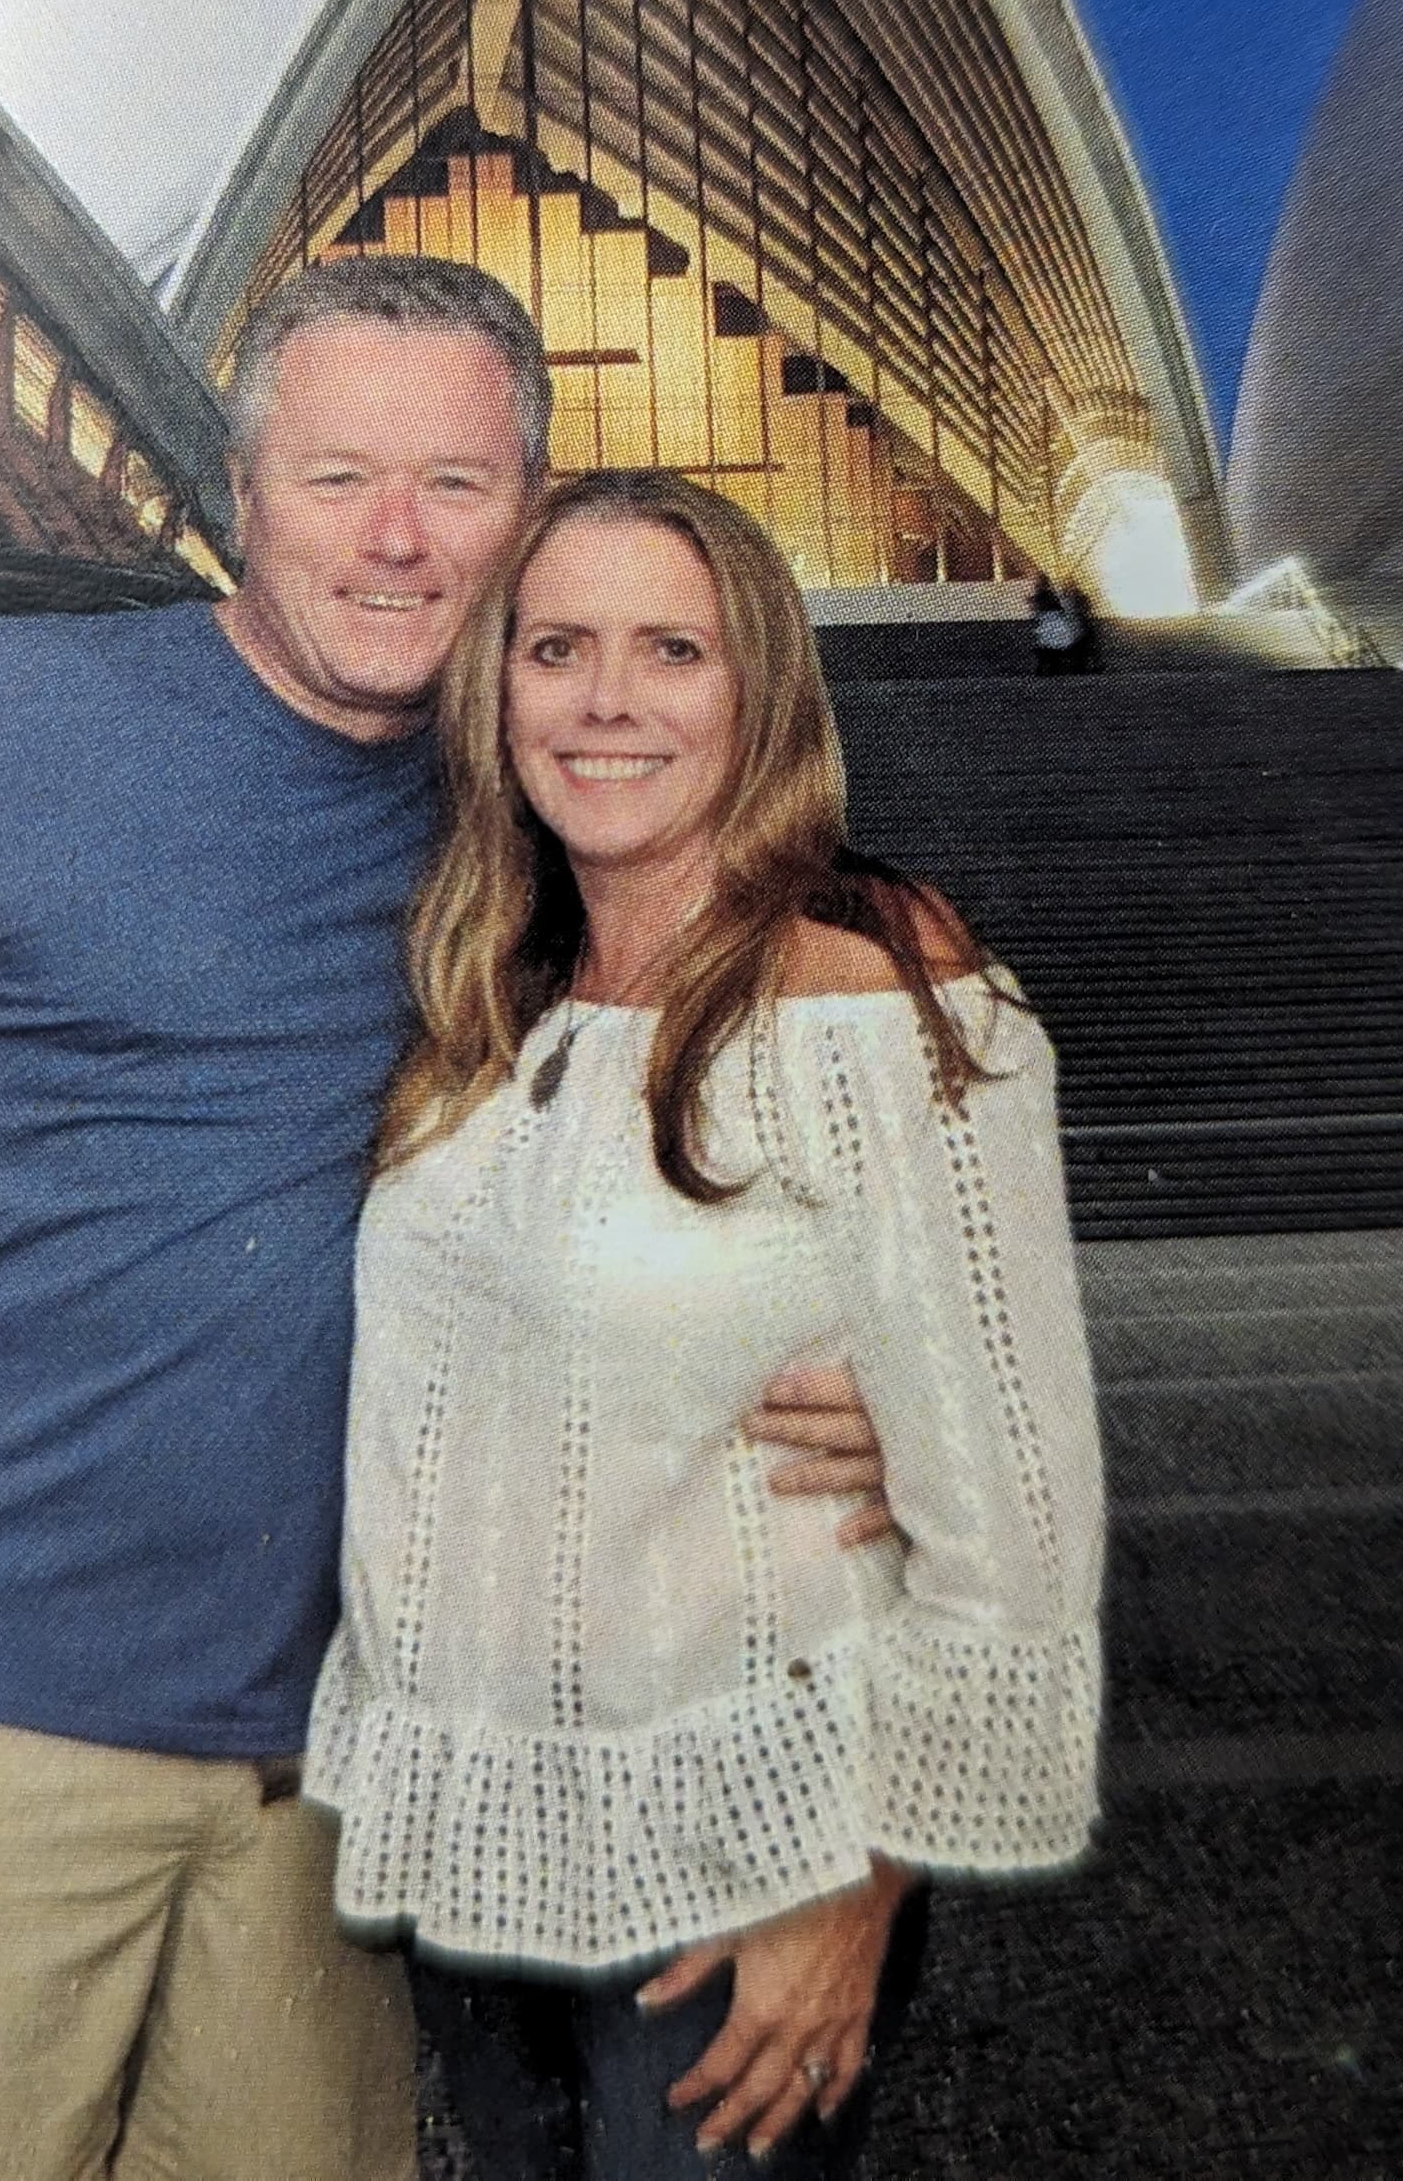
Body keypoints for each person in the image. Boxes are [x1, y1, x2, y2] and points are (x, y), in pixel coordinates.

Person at [0, 258, 897, 2181]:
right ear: (238, 489)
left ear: (527, 514)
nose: (393, 538)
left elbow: (765, 1053)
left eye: (456, 485)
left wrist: (893, 1382)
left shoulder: (531, 802)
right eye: (336, 474)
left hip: (325, 1771)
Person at [310, 471, 1105, 2177]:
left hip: (753, 1857)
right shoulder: (494, 999)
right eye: (556, 649)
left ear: (760, 694)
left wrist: (859, 1885)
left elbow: (1015, 1500)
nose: (606, 702)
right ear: (492, 689)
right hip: (486, 1850)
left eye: (672, 650)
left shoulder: (867, 983)